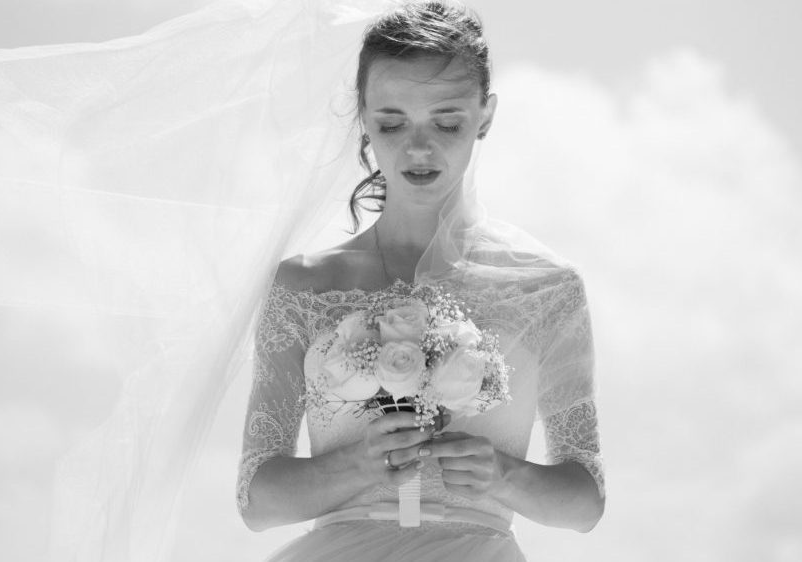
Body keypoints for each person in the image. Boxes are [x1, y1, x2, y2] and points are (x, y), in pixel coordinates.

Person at [236, 2, 605, 560]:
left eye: (447, 121)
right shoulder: (303, 286)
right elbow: (257, 502)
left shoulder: (545, 287)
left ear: (486, 115)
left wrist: (502, 475)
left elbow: (585, 504)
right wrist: (356, 466)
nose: (418, 148)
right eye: (391, 122)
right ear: (362, 117)